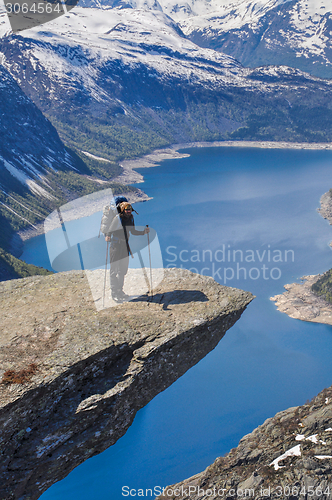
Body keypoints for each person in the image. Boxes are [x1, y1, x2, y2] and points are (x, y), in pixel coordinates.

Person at [105, 202, 150, 303]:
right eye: (127, 210)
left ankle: (120, 291)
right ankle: (114, 293)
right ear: (123, 210)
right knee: (114, 271)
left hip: (125, 247)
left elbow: (132, 231)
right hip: (115, 247)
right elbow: (110, 230)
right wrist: (107, 236)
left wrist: (143, 232)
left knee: (122, 270)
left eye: (130, 210)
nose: (128, 212)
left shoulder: (131, 218)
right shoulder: (117, 219)